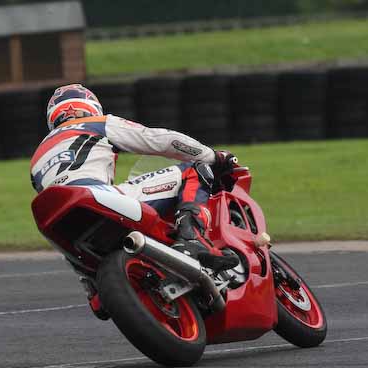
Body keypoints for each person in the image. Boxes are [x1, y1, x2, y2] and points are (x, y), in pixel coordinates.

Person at [30, 83, 238, 267]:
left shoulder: (37, 156)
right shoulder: (98, 123)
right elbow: (162, 140)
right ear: (91, 107)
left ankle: (94, 288)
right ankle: (192, 239)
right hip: (94, 195)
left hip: (60, 223)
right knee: (194, 170)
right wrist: (214, 156)